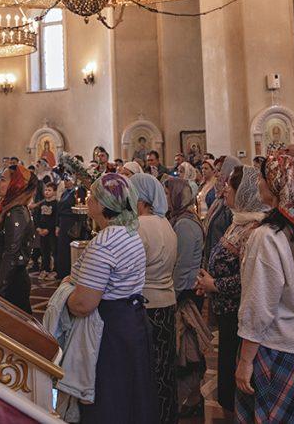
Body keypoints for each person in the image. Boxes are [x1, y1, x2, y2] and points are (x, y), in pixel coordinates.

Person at [234, 155, 294, 422]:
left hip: (271, 348)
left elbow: (258, 306)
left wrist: (244, 361)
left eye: (263, 177)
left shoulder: (267, 238)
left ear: (276, 186)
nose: (259, 182)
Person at [66, 173, 158, 423]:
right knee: (132, 392)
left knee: (111, 395)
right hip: (132, 321)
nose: (87, 200)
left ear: (102, 204)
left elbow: (84, 304)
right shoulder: (130, 233)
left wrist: (67, 298)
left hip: (110, 329)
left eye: (92, 196)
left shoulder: (104, 243)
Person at [195, 165, 265, 414]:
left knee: (237, 371)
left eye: (230, 187)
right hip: (226, 310)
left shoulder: (255, 229)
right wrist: (207, 281)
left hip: (239, 314)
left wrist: (215, 284)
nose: (224, 191)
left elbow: (250, 279)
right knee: (226, 366)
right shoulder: (239, 220)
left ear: (244, 192)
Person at [130, 172, 178, 424]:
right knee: (164, 368)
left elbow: (131, 270)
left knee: (147, 369)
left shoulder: (139, 226)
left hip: (146, 305)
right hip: (167, 303)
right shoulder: (166, 224)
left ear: (141, 198)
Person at [165, 177, 207, 417]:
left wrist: (174, 295)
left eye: (168, 194)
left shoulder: (185, 224)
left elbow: (181, 265)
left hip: (186, 292)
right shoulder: (183, 219)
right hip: (187, 289)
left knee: (186, 348)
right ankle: (193, 395)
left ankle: (190, 396)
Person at [0, 164, 36, 312]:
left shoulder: (16, 212)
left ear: (16, 184)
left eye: (2, 179)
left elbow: (11, 254)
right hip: (7, 276)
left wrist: (0, 290)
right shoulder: (10, 207)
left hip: (12, 281)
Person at [54, 175, 80, 278]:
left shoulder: (76, 192)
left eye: (67, 180)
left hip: (71, 222)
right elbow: (58, 210)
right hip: (63, 222)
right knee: (61, 248)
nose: (65, 182)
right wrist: (57, 225)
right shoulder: (65, 192)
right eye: (64, 179)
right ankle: (62, 272)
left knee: (68, 248)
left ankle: (69, 272)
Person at [35, 179, 60, 280]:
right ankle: (45, 269)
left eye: (49, 190)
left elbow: (56, 219)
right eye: (46, 190)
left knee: (54, 251)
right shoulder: (42, 203)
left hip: (51, 232)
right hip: (41, 231)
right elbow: (36, 216)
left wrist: (48, 229)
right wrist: (38, 228)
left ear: (54, 192)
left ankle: (55, 270)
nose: (47, 192)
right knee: (44, 251)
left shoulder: (56, 204)